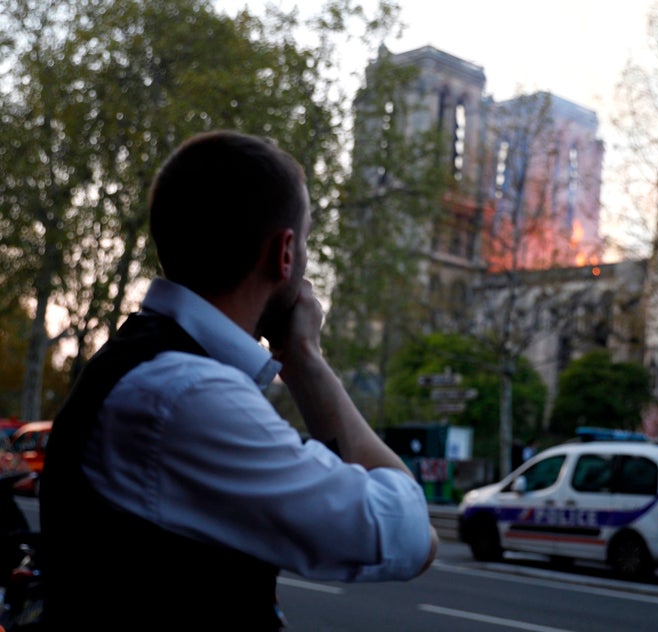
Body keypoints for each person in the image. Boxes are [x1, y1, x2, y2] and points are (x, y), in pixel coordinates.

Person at [39, 131, 438, 630]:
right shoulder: (186, 395)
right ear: (285, 253)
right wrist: (307, 360)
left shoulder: (147, 362)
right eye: (307, 241)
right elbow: (409, 535)